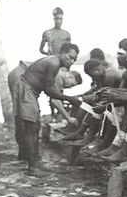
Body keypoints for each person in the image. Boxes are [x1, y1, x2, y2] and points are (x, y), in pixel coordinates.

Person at [13, 42, 81, 176]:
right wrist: (70, 99)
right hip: (26, 90)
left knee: (35, 127)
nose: (71, 61)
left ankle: (35, 163)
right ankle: (32, 167)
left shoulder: (55, 63)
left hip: (30, 91)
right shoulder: (54, 64)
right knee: (31, 129)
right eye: (70, 57)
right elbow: (50, 92)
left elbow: (48, 89)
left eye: (74, 59)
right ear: (62, 52)